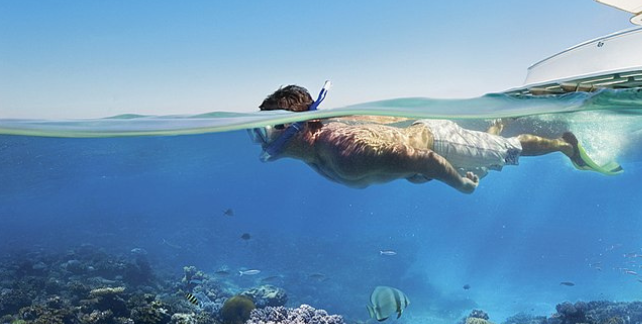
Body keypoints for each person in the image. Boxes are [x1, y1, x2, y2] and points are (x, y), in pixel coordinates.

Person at [251, 85, 620, 193]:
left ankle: (565, 145)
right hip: (419, 158)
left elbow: (424, 159)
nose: (264, 137)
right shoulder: (315, 154)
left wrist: (460, 185)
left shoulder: (344, 150)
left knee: (506, 153)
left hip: (437, 144)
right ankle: (491, 127)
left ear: (301, 126)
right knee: (486, 160)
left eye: (272, 127)